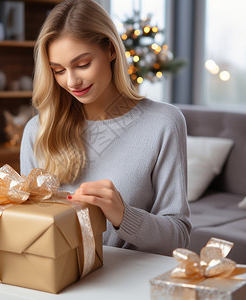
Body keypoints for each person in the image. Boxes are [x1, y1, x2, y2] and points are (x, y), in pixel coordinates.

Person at [20, 0, 191, 256]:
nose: (71, 81)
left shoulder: (163, 122)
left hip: (128, 282)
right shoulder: (39, 130)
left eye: (82, 64)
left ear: (110, 50)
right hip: (56, 282)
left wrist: (123, 215)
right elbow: (28, 227)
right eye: (58, 70)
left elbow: (178, 236)